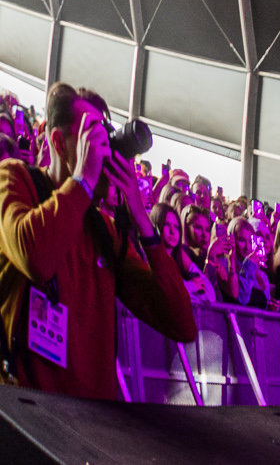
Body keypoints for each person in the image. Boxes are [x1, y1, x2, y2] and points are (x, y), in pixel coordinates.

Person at [0, 83, 197, 398]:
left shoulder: (107, 231)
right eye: (93, 139)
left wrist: (142, 219)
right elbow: (36, 258)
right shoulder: (14, 179)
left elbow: (181, 323)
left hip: (92, 420)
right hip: (26, 414)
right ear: (58, 143)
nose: (104, 152)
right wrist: (83, 179)